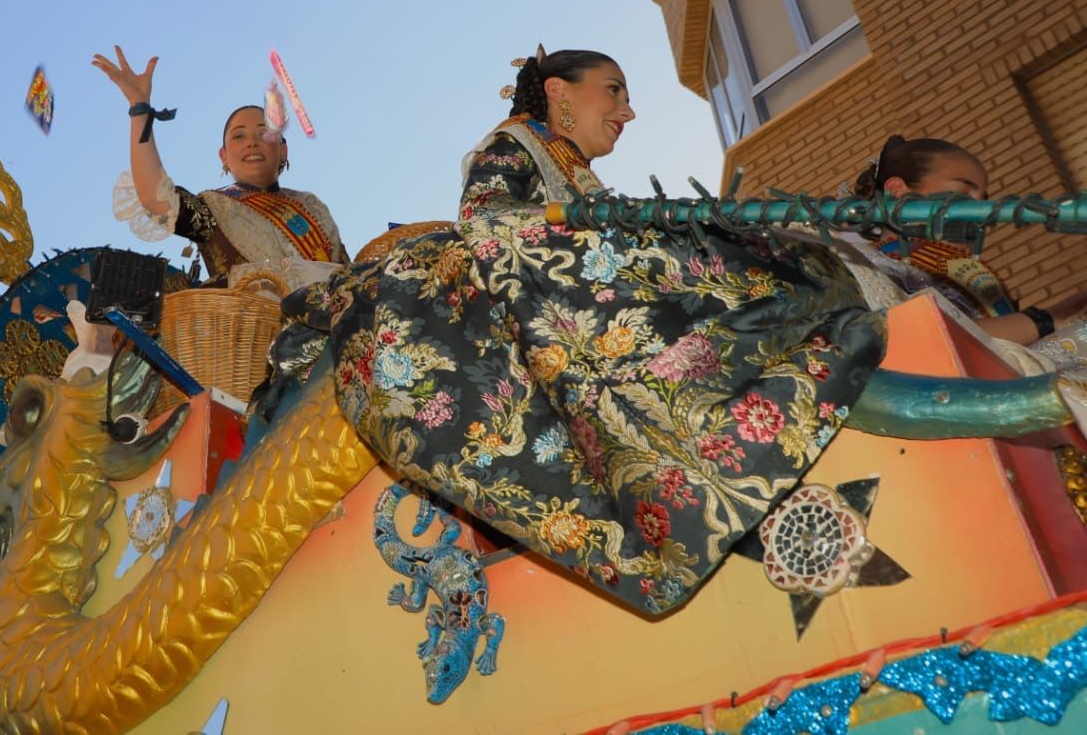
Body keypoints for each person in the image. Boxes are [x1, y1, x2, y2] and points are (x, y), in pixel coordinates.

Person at [266, 46, 886, 617]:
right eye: (613, 91)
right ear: (559, 91)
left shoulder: (574, 166)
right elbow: (488, 222)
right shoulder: (515, 144)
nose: (628, 110)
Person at [93, 45, 349, 294]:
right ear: (224, 156)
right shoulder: (215, 207)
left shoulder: (312, 206)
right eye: (238, 136)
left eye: (265, 133)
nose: (252, 142)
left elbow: (350, 274)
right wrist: (140, 108)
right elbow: (154, 197)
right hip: (258, 331)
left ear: (283, 149)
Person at [851, 134, 1087, 375]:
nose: (979, 212)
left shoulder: (944, 256)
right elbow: (937, 341)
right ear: (897, 191)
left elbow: (1013, 333)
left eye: (982, 201)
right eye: (962, 194)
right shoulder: (870, 268)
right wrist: (1042, 321)